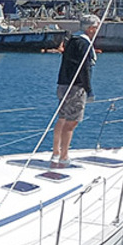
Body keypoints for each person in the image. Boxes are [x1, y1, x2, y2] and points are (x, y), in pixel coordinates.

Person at [51, 13, 102, 168]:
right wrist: (89, 90)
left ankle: (56, 152)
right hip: (76, 87)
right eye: (97, 28)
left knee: (62, 118)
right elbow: (84, 69)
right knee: (71, 122)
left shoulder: (72, 40)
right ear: (91, 29)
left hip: (63, 84)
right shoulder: (84, 44)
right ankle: (64, 155)